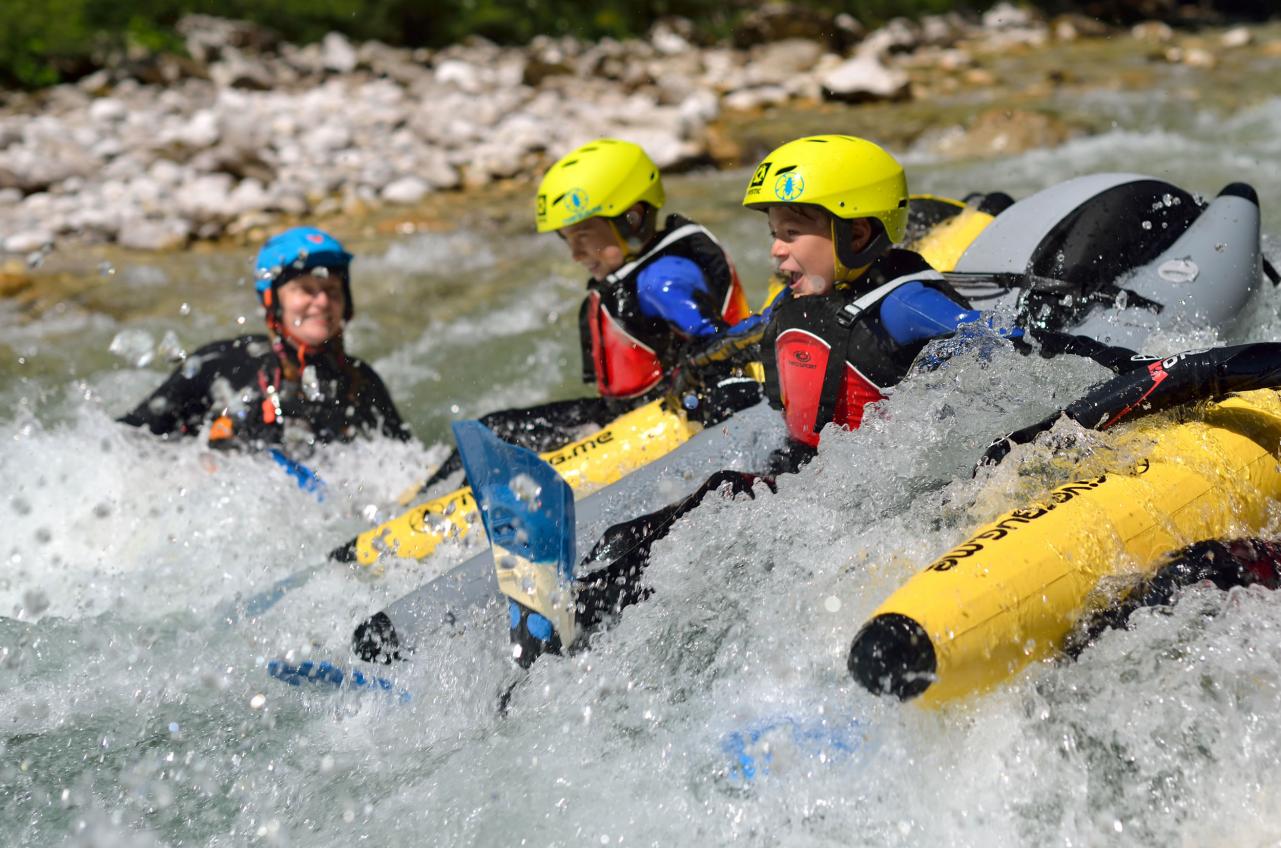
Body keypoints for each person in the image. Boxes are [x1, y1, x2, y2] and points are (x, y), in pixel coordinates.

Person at [515, 134, 1135, 663]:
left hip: (867, 496)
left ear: (858, 232)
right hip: (807, 474)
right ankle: (580, 606)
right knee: (686, 510)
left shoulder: (905, 302)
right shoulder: (797, 301)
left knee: (721, 505)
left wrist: (1117, 366)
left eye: (792, 233)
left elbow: (1008, 349)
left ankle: (583, 614)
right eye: (774, 233)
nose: (775, 249)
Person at [419, 138, 756, 492]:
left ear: (632, 218)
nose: (576, 254)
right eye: (567, 239)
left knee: (500, 438)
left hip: (661, 419)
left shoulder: (662, 280)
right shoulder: (639, 273)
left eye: (583, 234)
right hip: (621, 413)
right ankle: (423, 501)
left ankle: (433, 508)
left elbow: (719, 343)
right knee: (491, 432)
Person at [120, 226, 410, 452]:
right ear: (273, 302)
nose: (322, 302)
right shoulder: (221, 365)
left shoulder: (361, 383)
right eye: (306, 289)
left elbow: (405, 464)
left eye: (332, 290)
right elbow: (126, 440)